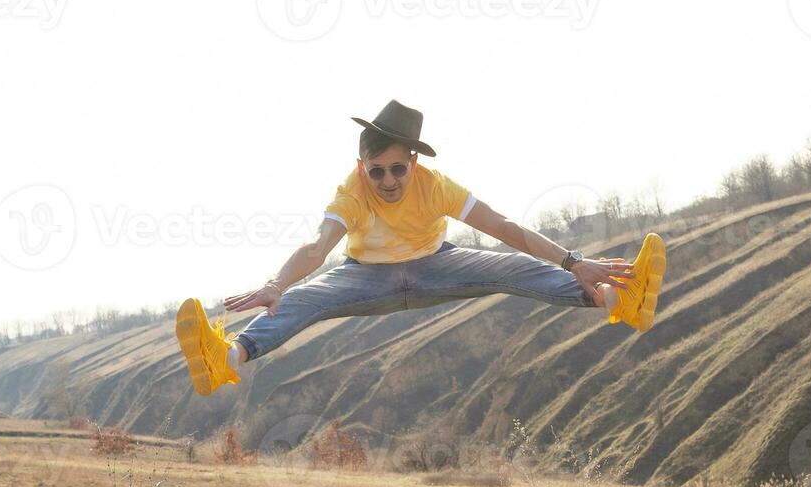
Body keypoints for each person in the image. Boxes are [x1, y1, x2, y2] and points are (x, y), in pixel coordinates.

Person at [175, 100, 665, 396]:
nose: (388, 181)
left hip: (437, 267)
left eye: (397, 169)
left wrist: (574, 262)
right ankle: (228, 360)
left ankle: (619, 299)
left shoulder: (437, 186)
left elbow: (504, 227)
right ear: (362, 165)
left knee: (514, 266)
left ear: (413, 161)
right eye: (377, 171)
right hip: (366, 276)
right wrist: (276, 283)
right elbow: (317, 246)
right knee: (302, 300)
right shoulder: (352, 192)